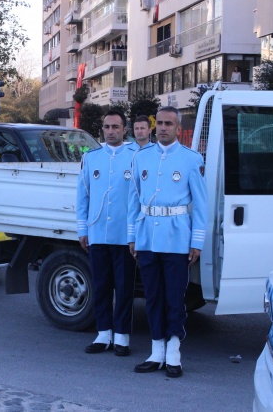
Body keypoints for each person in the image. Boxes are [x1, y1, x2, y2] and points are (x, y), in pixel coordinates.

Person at [127, 106, 207, 378]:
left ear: (177, 127)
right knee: (152, 297)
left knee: (175, 297)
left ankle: (174, 351)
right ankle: (156, 350)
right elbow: (133, 201)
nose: (163, 128)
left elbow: (201, 205)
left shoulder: (190, 159)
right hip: (148, 236)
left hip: (177, 238)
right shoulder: (141, 158)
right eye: (159, 123)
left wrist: (196, 241)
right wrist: (132, 236)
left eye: (168, 124)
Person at [77, 109, 137, 356]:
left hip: (125, 235)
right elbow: (83, 195)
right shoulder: (92, 158)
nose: (111, 131)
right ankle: (103, 333)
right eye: (106, 127)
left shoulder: (137, 155)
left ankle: (122, 335)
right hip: (98, 232)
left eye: (116, 127)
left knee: (124, 287)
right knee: (101, 285)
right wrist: (83, 228)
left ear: (125, 129)